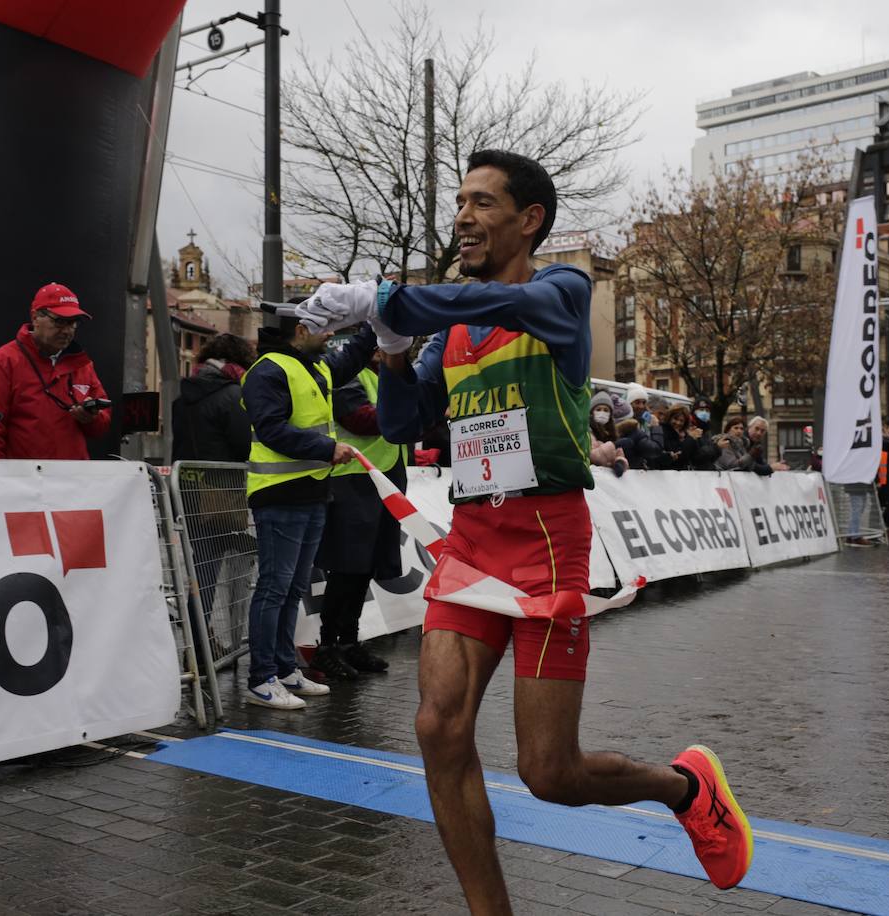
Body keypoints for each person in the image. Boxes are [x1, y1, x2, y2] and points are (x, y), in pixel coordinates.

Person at [295, 149, 752, 912]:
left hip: (547, 538)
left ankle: (685, 786)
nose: (464, 219)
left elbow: (510, 307)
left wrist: (394, 299)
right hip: (475, 539)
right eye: (460, 204)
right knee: (438, 728)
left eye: (482, 204)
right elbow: (405, 422)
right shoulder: (449, 336)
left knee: (550, 773)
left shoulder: (563, 289)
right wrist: (399, 352)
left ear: (529, 219)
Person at [239, 308, 380, 709]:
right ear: (301, 331)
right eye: (325, 328)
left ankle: (284, 670)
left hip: (310, 492)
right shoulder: (270, 370)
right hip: (280, 493)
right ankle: (261, 677)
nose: (332, 334)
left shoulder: (307, 366)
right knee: (274, 588)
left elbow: (349, 357)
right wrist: (326, 449)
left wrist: (375, 325)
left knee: (291, 589)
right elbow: (271, 428)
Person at [313, 348, 408, 681]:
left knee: (364, 567)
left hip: (382, 478)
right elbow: (360, 419)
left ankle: (349, 641)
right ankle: (326, 647)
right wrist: (409, 410)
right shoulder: (347, 374)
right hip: (352, 480)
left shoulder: (386, 377)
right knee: (346, 567)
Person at [170, 334, 258, 636]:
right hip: (223, 492)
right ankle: (211, 644)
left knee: (201, 568)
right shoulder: (233, 395)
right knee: (222, 568)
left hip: (188, 490)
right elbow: (245, 444)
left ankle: (200, 642)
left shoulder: (184, 395)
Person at [0, 282, 111, 459]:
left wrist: (92, 418)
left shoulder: (82, 364)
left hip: (75, 480)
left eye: (73, 323)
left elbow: (102, 426)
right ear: (35, 317)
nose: (67, 330)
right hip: (23, 481)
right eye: (60, 321)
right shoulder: (1, 363)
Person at [171, 333, 256, 463]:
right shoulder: (235, 397)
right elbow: (247, 447)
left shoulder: (181, 399)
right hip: (228, 480)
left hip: (186, 480)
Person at [588, 389, 628, 475]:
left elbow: (619, 454)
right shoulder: (588, 430)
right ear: (592, 412)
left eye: (606, 410)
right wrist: (614, 445)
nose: (602, 412)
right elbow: (594, 456)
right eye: (598, 409)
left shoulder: (612, 432)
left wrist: (620, 462)